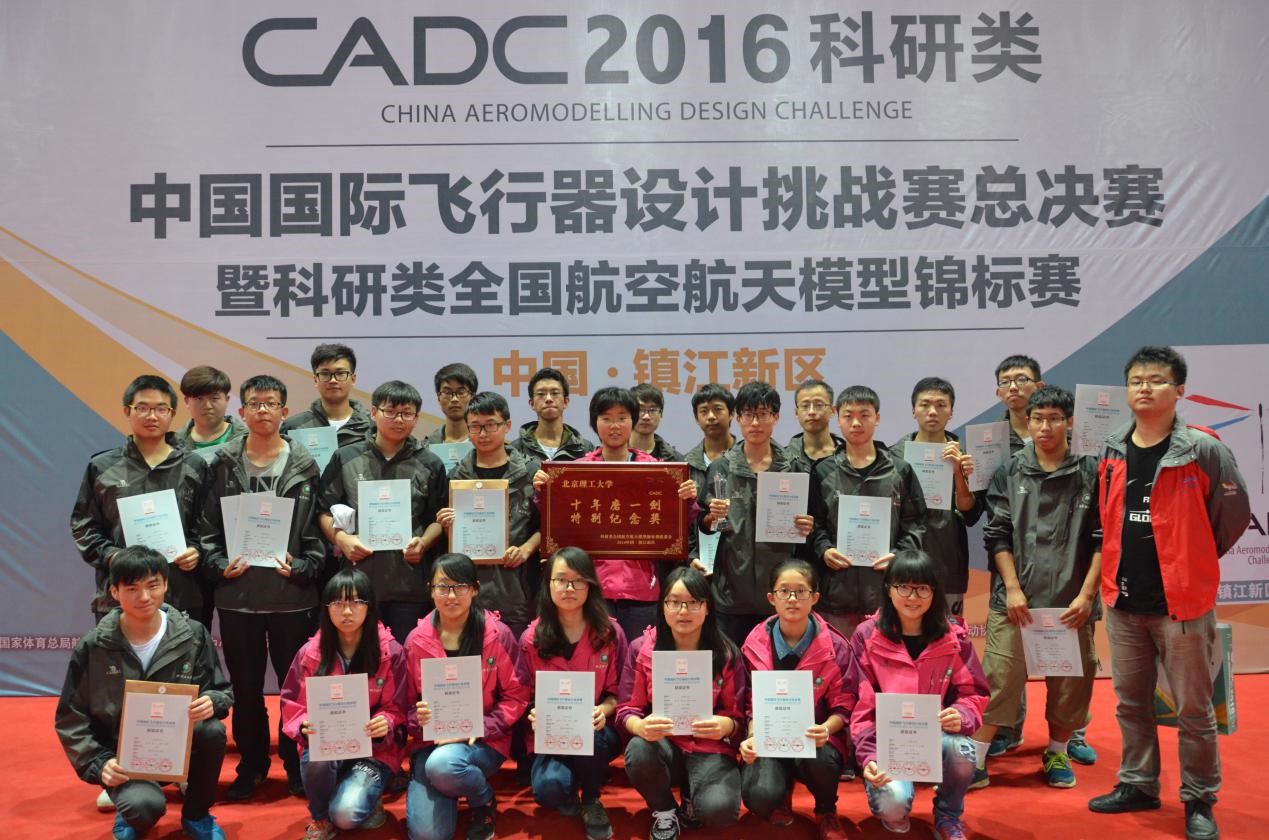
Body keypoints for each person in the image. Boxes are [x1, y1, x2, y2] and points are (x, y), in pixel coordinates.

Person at [1087, 346, 1251, 840]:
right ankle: (1138, 783)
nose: (1144, 387)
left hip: (1181, 604)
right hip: (1123, 602)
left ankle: (1199, 798)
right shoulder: (1113, 447)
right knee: (1130, 702)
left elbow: (1232, 516)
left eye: (1156, 380)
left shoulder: (1203, 449)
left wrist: (1192, 560)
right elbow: (1106, 518)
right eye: (1136, 380)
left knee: (1194, 711)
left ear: (1179, 390)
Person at [198, 374, 324, 800]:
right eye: (255, 403)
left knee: (295, 690)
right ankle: (252, 766)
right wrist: (219, 565)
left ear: (285, 412)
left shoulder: (306, 465)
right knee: (246, 690)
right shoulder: (221, 464)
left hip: (293, 599)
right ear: (242, 412)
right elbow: (206, 530)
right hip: (239, 598)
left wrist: (304, 566)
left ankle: (296, 763)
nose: (263, 410)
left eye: (271, 403)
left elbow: (319, 534)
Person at [969, 386, 1102, 790]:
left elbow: (1104, 538)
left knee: (1071, 683)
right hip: (1015, 601)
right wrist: (1012, 588)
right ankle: (975, 759)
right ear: (1027, 422)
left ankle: (1057, 751)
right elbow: (997, 534)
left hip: (1071, 601)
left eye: (1054, 419)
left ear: (1069, 422)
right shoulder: (1010, 471)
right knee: (998, 678)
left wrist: (1086, 595)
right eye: (1038, 419)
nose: (1045, 427)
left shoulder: (1091, 471)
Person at [54, 546, 232, 840]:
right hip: (124, 757)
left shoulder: (192, 634)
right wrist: (99, 763)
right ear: (114, 591)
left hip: (178, 747)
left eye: (153, 585)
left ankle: (197, 815)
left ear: (165, 584)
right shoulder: (94, 646)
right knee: (144, 807)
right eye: (132, 588)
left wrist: (213, 702)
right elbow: (70, 718)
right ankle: (129, 811)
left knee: (212, 731)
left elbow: (220, 690)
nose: (145, 597)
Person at [535, 386, 697, 643]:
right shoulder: (574, 473)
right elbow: (557, 523)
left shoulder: (659, 471)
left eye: (622, 418)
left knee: (638, 657)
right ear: (595, 423)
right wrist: (544, 491)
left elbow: (677, 525)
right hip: (591, 589)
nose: (614, 426)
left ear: (633, 421)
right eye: (606, 418)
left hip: (641, 589)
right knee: (597, 659)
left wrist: (687, 499)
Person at [850, 550, 988, 840]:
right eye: (903, 587)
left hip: (934, 736)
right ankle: (897, 801)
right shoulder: (866, 635)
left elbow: (973, 691)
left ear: (934, 592)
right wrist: (869, 755)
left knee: (963, 750)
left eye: (922, 588)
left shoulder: (954, 636)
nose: (913, 597)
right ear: (889, 589)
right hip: (886, 742)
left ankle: (948, 816)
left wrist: (962, 714)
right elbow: (860, 705)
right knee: (893, 807)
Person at [405, 553, 531, 840]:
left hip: (483, 740)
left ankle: (481, 799)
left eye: (460, 586)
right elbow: (405, 705)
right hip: (431, 743)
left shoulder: (498, 635)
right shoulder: (415, 641)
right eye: (442, 587)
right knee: (428, 836)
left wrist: (481, 727)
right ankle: (448, 783)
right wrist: (418, 718)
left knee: (443, 766)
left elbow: (517, 695)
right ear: (430, 590)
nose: (451, 595)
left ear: (474, 589)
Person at [617, 566, 746, 839]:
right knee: (638, 749)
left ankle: (692, 796)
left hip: (710, 748)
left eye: (693, 602)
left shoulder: (725, 653)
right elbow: (626, 709)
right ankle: (665, 809)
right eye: (674, 602)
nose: (683, 611)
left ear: (707, 608)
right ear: (663, 607)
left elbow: (739, 718)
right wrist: (640, 726)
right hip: (665, 745)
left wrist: (727, 726)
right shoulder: (641, 648)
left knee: (719, 812)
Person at [281, 568, 409, 840]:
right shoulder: (310, 654)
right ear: (326, 608)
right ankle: (320, 817)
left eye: (356, 602)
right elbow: (293, 704)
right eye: (337, 603)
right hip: (329, 745)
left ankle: (366, 794)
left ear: (369, 606)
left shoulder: (391, 652)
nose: (347, 611)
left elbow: (400, 706)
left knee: (346, 815)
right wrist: (302, 725)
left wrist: (386, 721)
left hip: (374, 750)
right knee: (316, 755)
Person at [70, 375, 210, 625]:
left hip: (181, 593)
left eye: (161, 409)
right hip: (119, 595)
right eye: (143, 408)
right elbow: (83, 526)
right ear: (127, 411)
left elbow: (208, 524)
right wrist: (112, 556)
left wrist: (196, 551)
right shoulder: (102, 466)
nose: (152, 416)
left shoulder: (194, 466)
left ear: (172, 414)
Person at [317, 381, 448, 643]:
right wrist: (342, 540)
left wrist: (423, 543)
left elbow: (439, 517)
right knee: (361, 659)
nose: (399, 419)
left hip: (409, 584)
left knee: (405, 657)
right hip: (357, 585)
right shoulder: (346, 457)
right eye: (391, 412)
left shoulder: (430, 463)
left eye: (407, 413)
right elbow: (323, 511)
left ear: (416, 418)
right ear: (374, 412)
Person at [739, 560, 852, 840]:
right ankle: (780, 794)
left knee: (822, 760)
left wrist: (826, 728)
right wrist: (752, 736)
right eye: (784, 591)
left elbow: (844, 703)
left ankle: (826, 810)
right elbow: (749, 703)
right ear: (771, 598)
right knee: (759, 796)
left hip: (815, 740)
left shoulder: (836, 646)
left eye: (801, 591)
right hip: (769, 738)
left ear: (815, 597)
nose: (792, 599)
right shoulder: (753, 643)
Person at [520, 547, 629, 839]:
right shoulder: (531, 638)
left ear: (590, 585)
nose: (569, 588)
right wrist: (533, 713)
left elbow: (622, 693)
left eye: (578, 580)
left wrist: (603, 710)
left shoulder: (610, 633)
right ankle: (578, 775)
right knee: (549, 790)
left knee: (589, 734)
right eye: (561, 580)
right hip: (552, 734)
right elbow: (523, 696)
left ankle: (591, 798)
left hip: (597, 732)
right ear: (548, 584)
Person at [697, 381, 815, 648]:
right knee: (731, 666)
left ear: (776, 417)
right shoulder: (721, 467)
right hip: (730, 596)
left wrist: (809, 526)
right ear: (737, 418)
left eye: (763, 414)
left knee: (775, 668)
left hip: (780, 597)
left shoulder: (795, 468)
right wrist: (711, 516)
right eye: (748, 414)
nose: (755, 422)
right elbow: (703, 526)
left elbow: (813, 527)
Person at [809, 385, 927, 640]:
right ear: (837, 418)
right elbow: (813, 524)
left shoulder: (900, 470)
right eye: (848, 415)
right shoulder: (822, 471)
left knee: (884, 662)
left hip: (887, 594)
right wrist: (824, 549)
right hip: (836, 594)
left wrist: (898, 555)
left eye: (864, 415)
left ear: (877, 418)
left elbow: (916, 523)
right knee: (839, 661)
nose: (856, 423)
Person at [437, 391, 541, 640]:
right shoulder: (456, 478)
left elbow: (548, 526)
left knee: (512, 660)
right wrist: (446, 526)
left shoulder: (530, 472)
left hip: (516, 590)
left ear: (507, 425)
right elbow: (449, 543)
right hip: (467, 595)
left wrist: (526, 549)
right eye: (475, 426)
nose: (483, 433)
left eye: (490, 425)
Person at [901, 377, 982, 617]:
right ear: (913, 410)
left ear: (951, 412)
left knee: (949, 634)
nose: (933, 412)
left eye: (941, 405)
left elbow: (970, 514)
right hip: (904, 564)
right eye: (925, 404)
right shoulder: (894, 455)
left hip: (948, 564)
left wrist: (958, 473)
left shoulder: (965, 457)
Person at [282, 343, 374, 448]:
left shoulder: (373, 424)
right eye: (325, 374)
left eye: (340, 373)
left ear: (353, 379)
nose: (333, 380)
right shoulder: (294, 426)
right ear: (315, 380)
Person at [511, 367, 594, 462]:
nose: (548, 399)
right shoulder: (516, 449)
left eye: (555, 393)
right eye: (541, 394)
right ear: (532, 404)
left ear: (566, 402)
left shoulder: (585, 449)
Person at [173, 364, 247, 452]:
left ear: (226, 400)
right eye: (199, 398)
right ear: (187, 402)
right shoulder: (172, 447)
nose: (207, 406)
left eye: (214, 398)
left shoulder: (249, 440)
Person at [785, 379, 844, 475]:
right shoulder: (783, 460)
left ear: (832, 411)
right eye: (805, 406)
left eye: (819, 405)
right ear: (796, 413)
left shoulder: (848, 458)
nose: (811, 412)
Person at [426, 363, 478, 445]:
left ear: (473, 397)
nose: (454, 399)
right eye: (447, 392)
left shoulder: (487, 445)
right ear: (438, 398)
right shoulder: (427, 447)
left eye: (461, 392)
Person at [630, 382, 684, 460]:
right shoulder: (615, 454)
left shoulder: (675, 460)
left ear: (661, 414)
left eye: (652, 410)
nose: (646, 416)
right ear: (630, 413)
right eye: (640, 409)